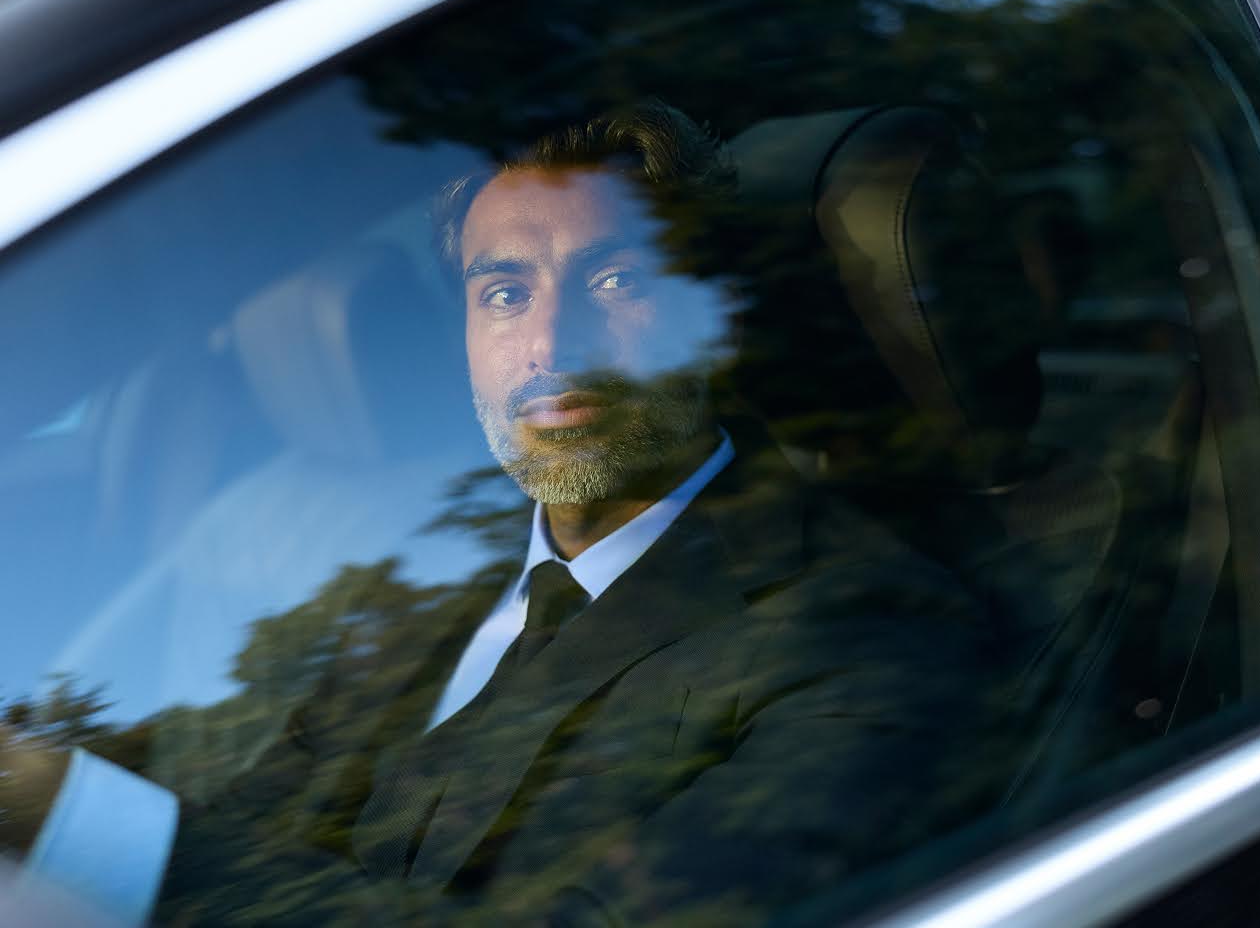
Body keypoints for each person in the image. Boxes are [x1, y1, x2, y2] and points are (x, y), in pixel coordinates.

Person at [3, 101, 1008, 926]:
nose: (553, 347)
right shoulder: (428, 571)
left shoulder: (868, 631)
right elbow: (252, 834)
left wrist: (71, 813)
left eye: (616, 278)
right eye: (504, 293)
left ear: (715, 314)